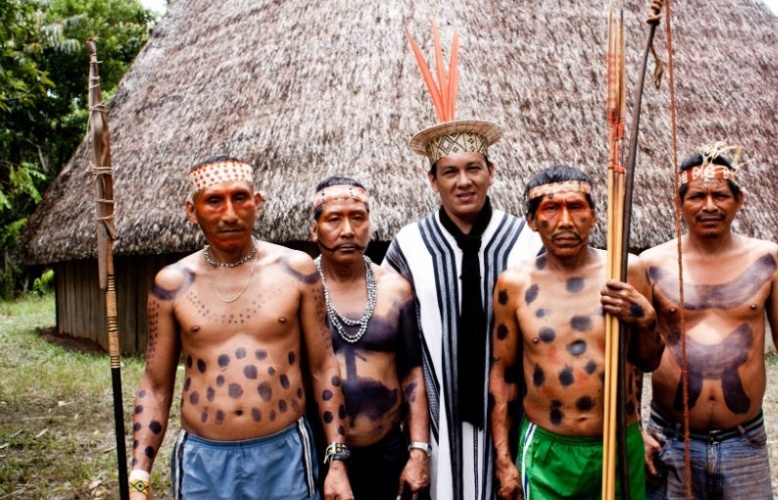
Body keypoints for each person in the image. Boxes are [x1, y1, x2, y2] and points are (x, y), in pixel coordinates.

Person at [127, 156, 353, 500]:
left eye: (240, 198)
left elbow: (323, 366)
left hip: (285, 455)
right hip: (204, 460)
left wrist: (336, 461)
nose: (230, 213)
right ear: (192, 211)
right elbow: (155, 386)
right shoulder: (172, 284)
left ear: (257, 203)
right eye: (214, 201)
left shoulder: (296, 270)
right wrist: (139, 476)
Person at [382, 24, 542, 500]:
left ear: (491, 172)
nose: (463, 181)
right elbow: (394, 340)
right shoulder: (408, 246)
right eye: (450, 172)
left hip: (512, 416)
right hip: (434, 418)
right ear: (432, 180)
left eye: (474, 168)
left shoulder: (525, 242)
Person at [639, 146, 778, 499]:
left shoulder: (766, 258)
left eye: (720, 195)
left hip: (744, 441)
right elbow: (629, 351)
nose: (709, 206)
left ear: (738, 200)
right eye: (697, 196)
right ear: (679, 204)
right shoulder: (651, 264)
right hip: (670, 438)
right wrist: (633, 427)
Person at [488, 165, 664, 500]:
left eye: (576, 207)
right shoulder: (514, 285)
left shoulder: (625, 270)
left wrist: (646, 318)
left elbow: (647, 361)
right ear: (532, 221)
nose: (565, 221)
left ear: (595, 216)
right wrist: (503, 459)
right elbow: (503, 376)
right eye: (551, 209)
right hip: (548, 450)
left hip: (618, 442)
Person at [308, 176, 430, 499]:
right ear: (314, 230)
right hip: (320, 449)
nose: (347, 230)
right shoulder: (300, 290)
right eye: (334, 219)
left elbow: (412, 373)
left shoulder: (395, 288)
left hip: (387, 449)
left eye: (358, 218)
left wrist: (418, 450)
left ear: (371, 227)